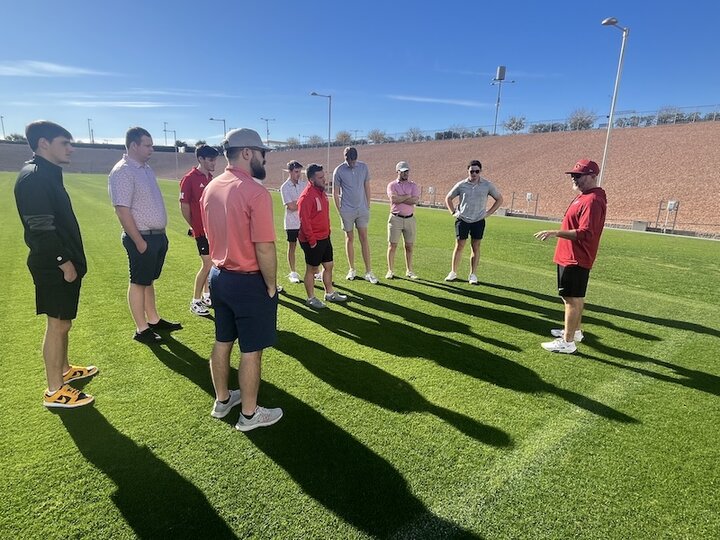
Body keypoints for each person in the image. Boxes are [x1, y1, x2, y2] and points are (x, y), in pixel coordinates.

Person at [200, 128, 283, 431]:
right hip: (248, 281)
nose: (264, 158)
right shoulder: (255, 191)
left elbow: (209, 236)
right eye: (263, 152)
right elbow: (264, 246)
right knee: (251, 349)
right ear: (247, 153)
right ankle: (249, 414)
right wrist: (272, 285)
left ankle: (223, 400)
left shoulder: (211, 188)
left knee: (223, 340)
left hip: (219, 276)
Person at [14, 121, 98, 408]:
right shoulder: (34, 177)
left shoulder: (48, 174)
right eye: (65, 143)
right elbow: (40, 229)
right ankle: (55, 391)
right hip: (53, 266)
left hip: (62, 263)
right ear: (43, 144)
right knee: (57, 324)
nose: (71, 148)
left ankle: (64, 371)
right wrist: (64, 262)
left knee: (64, 323)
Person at [109, 127, 182, 344]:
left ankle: (153, 319)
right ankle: (141, 329)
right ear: (134, 146)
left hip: (156, 236)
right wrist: (139, 242)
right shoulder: (123, 171)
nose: (152, 148)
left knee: (148, 281)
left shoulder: (146, 169)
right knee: (138, 282)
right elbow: (122, 210)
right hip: (141, 237)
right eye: (147, 145)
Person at [534, 159, 607, 354]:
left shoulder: (592, 200)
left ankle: (567, 342)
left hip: (576, 256)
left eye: (578, 175)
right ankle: (574, 332)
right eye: (573, 175)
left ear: (592, 176)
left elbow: (586, 232)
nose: (574, 179)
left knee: (571, 299)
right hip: (570, 254)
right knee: (575, 297)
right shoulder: (584, 197)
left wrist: (555, 232)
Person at [444, 160, 503, 284]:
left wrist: (489, 213)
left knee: (475, 246)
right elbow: (448, 198)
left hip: (478, 220)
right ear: (468, 171)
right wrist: (453, 212)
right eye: (472, 171)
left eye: (477, 171)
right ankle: (453, 272)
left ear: (480, 171)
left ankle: (473, 275)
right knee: (459, 246)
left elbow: (499, 199)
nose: (474, 173)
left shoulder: (487, 185)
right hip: (463, 219)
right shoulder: (461, 185)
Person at [297, 164, 348, 309]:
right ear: (311, 179)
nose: (324, 179)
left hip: (325, 237)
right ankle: (311, 298)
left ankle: (329, 293)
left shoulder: (322, 193)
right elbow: (304, 221)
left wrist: (328, 232)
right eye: (320, 177)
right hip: (312, 240)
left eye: (324, 176)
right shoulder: (306, 196)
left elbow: (323, 215)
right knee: (312, 269)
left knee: (329, 265)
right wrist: (312, 241)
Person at [179, 144, 219, 316]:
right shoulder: (189, 179)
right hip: (201, 231)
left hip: (212, 230)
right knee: (208, 263)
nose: (214, 163)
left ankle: (207, 294)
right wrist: (195, 226)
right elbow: (184, 207)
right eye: (210, 160)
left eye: (215, 160)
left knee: (211, 264)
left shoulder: (211, 178)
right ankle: (195, 301)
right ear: (201, 159)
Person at [333, 146, 378, 283]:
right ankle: (351, 269)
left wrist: (368, 205)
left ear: (356, 158)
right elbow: (335, 192)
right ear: (345, 158)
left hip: (362, 209)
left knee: (364, 237)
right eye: (349, 161)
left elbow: (367, 187)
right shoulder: (339, 170)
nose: (352, 163)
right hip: (346, 210)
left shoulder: (363, 167)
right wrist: (339, 210)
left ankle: (368, 271)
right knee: (349, 238)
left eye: (353, 161)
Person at [386, 161, 421, 279]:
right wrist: (407, 196)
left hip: (409, 219)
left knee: (409, 246)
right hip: (395, 218)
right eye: (403, 171)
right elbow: (394, 199)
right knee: (392, 245)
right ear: (398, 171)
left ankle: (409, 270)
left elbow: (414, 200)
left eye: (407, 171)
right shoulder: (392, 185)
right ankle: (390, 270)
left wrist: (402, 198)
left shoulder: (413, 185)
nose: (406, 173)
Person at [280, 160, 307, 284]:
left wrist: (298, 203)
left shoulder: (303, 184)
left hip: (304, 221)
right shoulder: (284, 187)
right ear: (290, 172)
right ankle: (293, 272)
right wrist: (301, 203)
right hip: (291, 223)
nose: (298, 174)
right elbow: (290, 206)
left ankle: (315, 271)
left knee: (309, 247)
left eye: (300, 172)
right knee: (292, 246)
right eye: (296, 172)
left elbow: (306, 203)